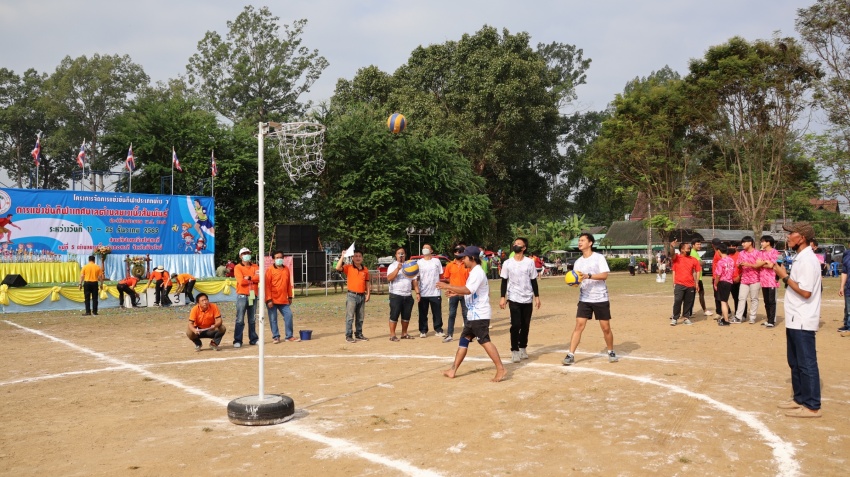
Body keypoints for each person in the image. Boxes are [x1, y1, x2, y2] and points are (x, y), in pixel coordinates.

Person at [772, 222, 822, 418]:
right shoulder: (800, 257)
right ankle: (799, 398)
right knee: (795, 361)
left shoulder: (808, 260)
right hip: (795, 317)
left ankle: (812, 406)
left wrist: (784, 276)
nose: (788, 236)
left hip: (803, 318)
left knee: (806, 363)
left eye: (791, 233)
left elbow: (805, 292)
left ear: (801, 238)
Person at [436, 246, 507, 382]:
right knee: (464, 341)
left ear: (472, 258)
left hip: (479, 314)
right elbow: (471, 291)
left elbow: (468, 290)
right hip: (473, 315)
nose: (463, 260)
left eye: (465, 258)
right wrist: (456, 293)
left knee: (484, 341)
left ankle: (501, 368)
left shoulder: (477, 272)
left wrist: (448, 286)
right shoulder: (473, 272)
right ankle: (452, 370)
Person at [563, 233, 619, 365]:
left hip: (600, 297)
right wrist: (573, 282)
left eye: (582, 240)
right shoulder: (578, 262)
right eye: (579, 240)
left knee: (605, 328)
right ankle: (570, 354)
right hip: (585, 298)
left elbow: (604, 275)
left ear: (590, 243)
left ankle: (611, 351)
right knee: (579, 325)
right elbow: (577, 280)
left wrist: (588, 276)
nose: (579, 242)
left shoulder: (599, 258)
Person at [499, 237, 541, 362]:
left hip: (527, 298)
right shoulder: (507, 263)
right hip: (513, 297)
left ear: (524, 248)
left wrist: (537, 297)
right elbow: (504, 281)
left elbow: (533, 280)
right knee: (515, 325)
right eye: (515, 243)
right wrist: (502, 297)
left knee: (525, 325)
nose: (515, 245)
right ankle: (515, 350)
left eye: (518, 244)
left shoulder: (529, 262)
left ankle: (522, 347)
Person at [336, 248, 371, 342]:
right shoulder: (348, 267)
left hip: (362, 295)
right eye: (356, 256)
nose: (358, 258)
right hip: (352, 295)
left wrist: (368, 294)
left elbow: (367, 282)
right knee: (350, 317)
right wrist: (342, 256)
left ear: (362, 258)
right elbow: (338, 267)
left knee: (360, 317)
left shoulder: (365, 270)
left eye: (360, 256)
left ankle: (359, 334)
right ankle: (348, 335)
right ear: (352, 258)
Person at [387, 246, 418, 341]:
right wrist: (398, 269)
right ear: (396, 255)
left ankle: (404, 333)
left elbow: (414, 280)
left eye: (403, 253)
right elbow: (389, 278)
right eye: (399, 253)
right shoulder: (392, 266)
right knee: (394, 315)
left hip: (408, 295)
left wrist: (417, 292)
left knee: (406, 316)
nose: (401, 255)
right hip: (396, 294)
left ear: (405, 255)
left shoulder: (410, 265)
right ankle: (392, 335)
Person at [266, 250, 297, 343]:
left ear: (283, 258)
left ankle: (289, 336)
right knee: (273, 319)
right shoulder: (270, 270)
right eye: (277, 258)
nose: (279, 259)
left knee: (289, 315)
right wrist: (268, 299)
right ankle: (276, 336)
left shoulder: (286, 269)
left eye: (280, 257)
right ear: (273, 259)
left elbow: (288, 284)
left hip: (283, 299)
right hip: (272, 299)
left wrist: (290, 296)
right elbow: (267, 286)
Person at [667, 238, 700, 326]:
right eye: (687, 248)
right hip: (679, 284)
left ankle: (686, 318)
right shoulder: (677, 258)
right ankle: (675, 318)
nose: (689, 250)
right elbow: (672, 254)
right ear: (682, 249)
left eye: (689, 248)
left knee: (688, 302)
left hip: (690, 285)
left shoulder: (693, 259)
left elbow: (695, 272)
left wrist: (696, 283)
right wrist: (671, 247)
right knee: (678, 301)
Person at [442, 245, 470, 343]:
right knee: (452, 314)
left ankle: (467, 335)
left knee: (466, 314)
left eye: (459, 251)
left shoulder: (466, 265)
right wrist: (453, 286)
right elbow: (446, 278)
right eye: (456, 251)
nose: (457, 253)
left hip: (464, 293)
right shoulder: (450, 265)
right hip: (453, 293)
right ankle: (449, 335)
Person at [416, 243, 444, 338]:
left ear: (431, 250)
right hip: (423, 292)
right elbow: (417, 277)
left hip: (435, 292)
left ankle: (438, 329)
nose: (425, 249)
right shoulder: (419, 262)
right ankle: (423, 330)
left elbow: (440, 274)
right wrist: (417, 291)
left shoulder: (436, 261)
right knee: (423, 313)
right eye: (423, 248)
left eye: (427, 248)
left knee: (437, 312)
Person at [233, 247, 259, 348]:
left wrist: (249, 277)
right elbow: (241, 281)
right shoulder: (237, 267)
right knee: (240, 319)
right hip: (242, 295)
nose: (246, 255)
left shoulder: (255, 266)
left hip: (252, 295)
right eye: (244, 254)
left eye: (248, 253)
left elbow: (259, 278)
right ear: (240, 256)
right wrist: (253, 279)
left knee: (252, 319)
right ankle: (237, 340)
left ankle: (253, 339)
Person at [755, 235, 780, 328]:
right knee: (766, 301)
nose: (761, 243)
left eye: (763, 241)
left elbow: (771, 266)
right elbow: (757, 264)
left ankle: (772, 321)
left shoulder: (775, 252)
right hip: (763, 280)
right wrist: (766, 261)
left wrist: (763, 263)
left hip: (772, 280)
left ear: (768, 242)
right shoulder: (761, 253)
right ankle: (769, 319)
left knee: (771, 301)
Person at [735, 236, 761, 324]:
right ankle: (738, 317)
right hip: (744, 279)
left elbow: (759, 266)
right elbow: (738, 265)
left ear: (750, 243)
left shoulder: (757, 253)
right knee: (741, 298)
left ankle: (752, 317)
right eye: (742, 243)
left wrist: (748, 264)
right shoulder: (741, 253)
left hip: (755, 279)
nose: (743, 244)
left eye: (744, 242)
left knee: (754, 299)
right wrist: (739, 265)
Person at [688, 240, 713, 316]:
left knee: (692, 295)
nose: (699, 246)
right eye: (697, 244)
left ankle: (689, 311)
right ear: (693, 245)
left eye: (700, 244)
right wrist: (704, 262)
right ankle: (705, 310)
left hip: (698, 277)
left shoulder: (695, 253)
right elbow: (699, 263)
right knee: (701, 293)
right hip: (696, 278)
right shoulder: (693, 253)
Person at [713, 244, 734, 326]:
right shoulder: (731, 260)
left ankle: (726, 320)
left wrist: (715, 283)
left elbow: (718, 275)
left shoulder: (721, 261)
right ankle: (725, 317)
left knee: (723, 302)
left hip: (722, 282)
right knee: (725, 300)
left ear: (719, 251)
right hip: (729, 282)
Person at [840, 248, 850, 333]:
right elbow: (844, 272)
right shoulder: (846, 255)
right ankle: (847, 324)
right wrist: (842, 287)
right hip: (848, 287)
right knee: (848, 308)